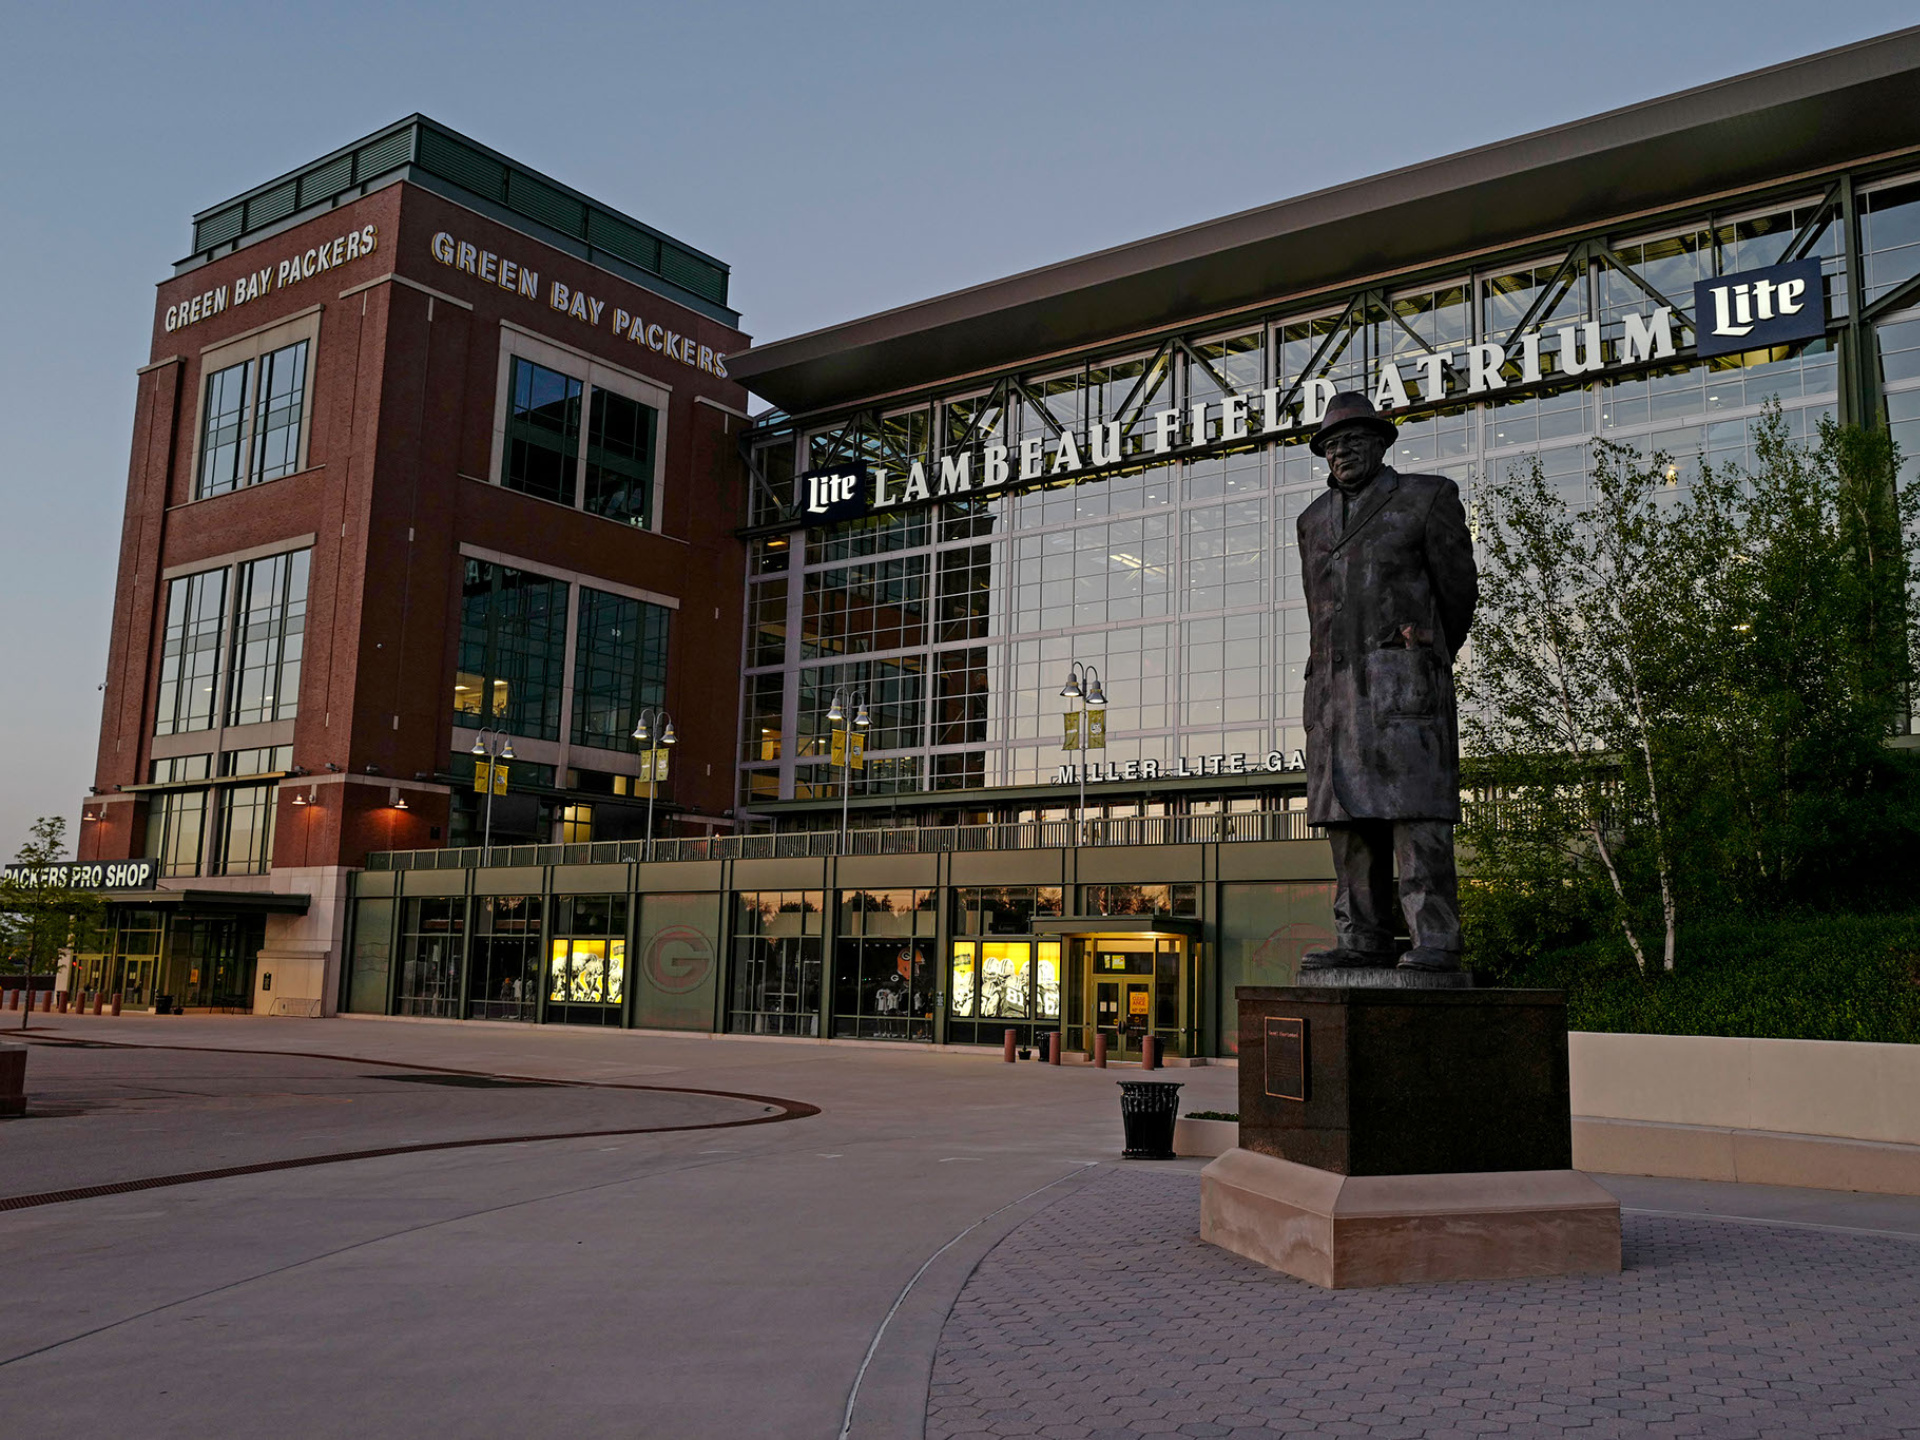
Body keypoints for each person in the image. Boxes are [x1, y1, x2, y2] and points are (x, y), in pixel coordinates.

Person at [1295, 392, 1478, 972]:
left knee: (1415, 816)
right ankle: (1363, 938)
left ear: (1380, 443)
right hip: (1333, 696)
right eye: (1331, 445)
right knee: (1346, 824)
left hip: (1402, 686)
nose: (1341, 452)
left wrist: (1420, 648)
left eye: (1352, 440)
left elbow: (1458, 593)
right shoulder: (1311, 521)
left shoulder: (1426, 498)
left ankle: (1435, 940)